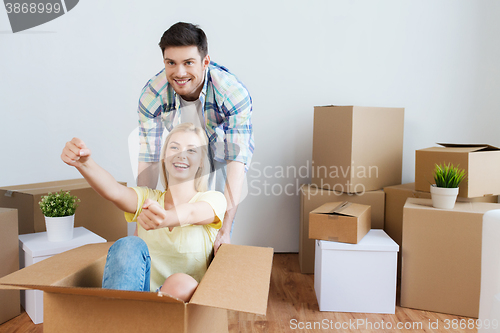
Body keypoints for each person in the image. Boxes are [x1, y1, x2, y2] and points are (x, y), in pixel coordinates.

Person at [61, 123, 227, 302]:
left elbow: (193, 213)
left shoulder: (214, 199)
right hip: (139, 302)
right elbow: (114, 191)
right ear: (164, 156)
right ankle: (120, 320)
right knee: (128, 244)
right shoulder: (149, 198)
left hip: (184, 311)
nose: (181, 154)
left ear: (202, 160)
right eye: (174, 147)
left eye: (192, 150)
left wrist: (166, 218)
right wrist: (85, 164)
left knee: (181, 282)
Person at [136, 22, 253, 253]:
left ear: (205, 62)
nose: (179, 73)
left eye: (188, 63)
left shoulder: (232, 93)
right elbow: (148, 159)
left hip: (220, 154)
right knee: (174, 215)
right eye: (171, 63)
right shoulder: (152, 95)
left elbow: (236, 162)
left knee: (214, 228)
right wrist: (139, 228)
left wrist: (225, 231)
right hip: (181, 149)